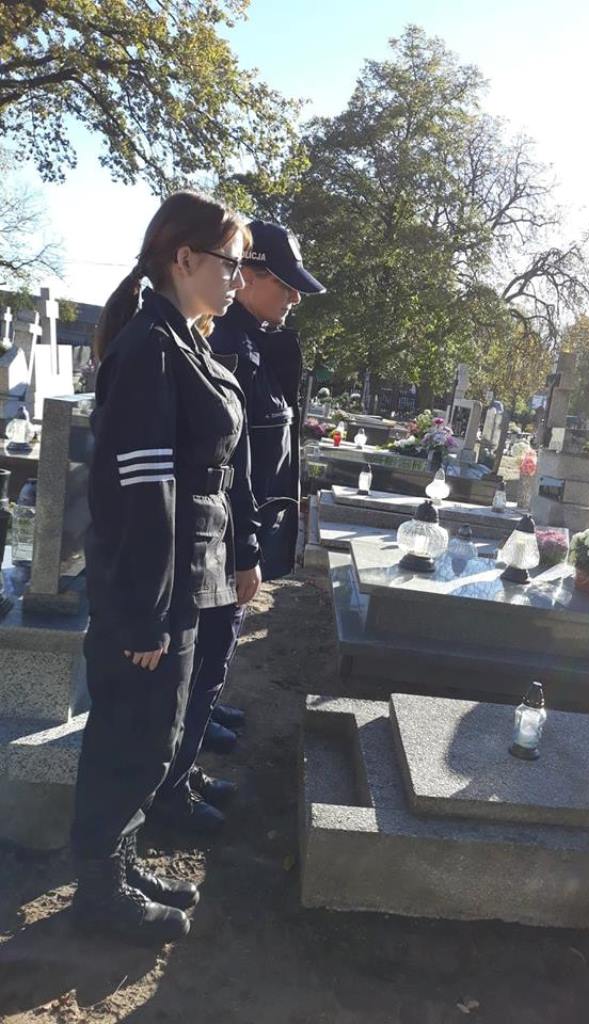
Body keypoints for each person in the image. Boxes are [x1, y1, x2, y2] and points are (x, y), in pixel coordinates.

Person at [70, 192, 261, 943]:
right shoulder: (151, 346)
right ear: (185, 259)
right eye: (231, 263)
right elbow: (146, 494)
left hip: (185, 576)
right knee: (130, 737)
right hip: (153, 585)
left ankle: (117, 863)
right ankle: (98, 892)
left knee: (155, 734)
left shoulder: (179, 339)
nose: (238, 279)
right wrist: (146, 614)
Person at [151, 220, 325, 834]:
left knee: (210, 663)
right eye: (284, 283)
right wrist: (246, 547)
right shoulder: (228, 343)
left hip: (237, 535)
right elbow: (228, 466)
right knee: (201, 668)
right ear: (247, 275)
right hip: (222, 540)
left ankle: (184, 764)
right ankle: (169, 794)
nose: (294, 296)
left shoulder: (253, 340)